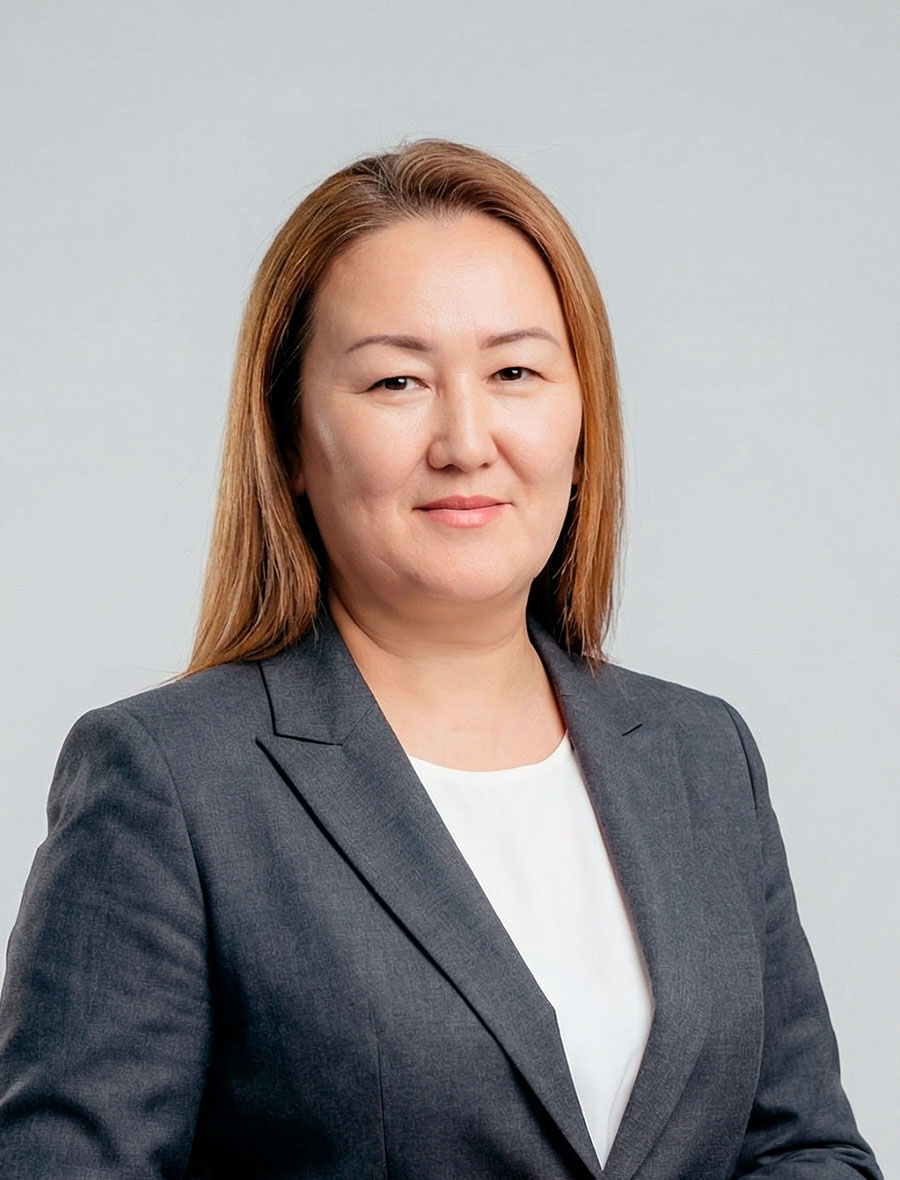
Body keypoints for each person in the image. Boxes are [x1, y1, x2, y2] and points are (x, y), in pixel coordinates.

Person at [0, 139, 882, 1180]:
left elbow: (805, 1146)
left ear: (584, 414)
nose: (467, 441)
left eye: (515, 372)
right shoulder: (170, 781)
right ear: (289, 438)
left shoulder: (702, 754)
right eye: (397, 380)